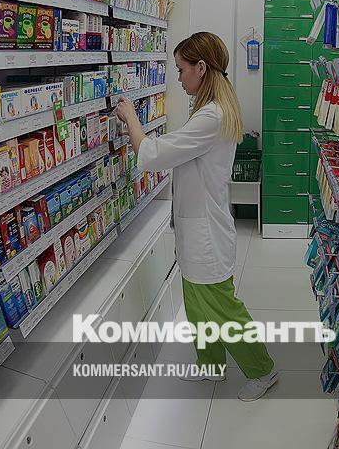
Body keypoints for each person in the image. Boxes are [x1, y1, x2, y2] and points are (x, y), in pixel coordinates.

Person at [113, 32, 278, 402]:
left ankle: (263, 370)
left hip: (207, 235)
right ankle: (210, 365)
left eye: (181, 69)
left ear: (201, 68)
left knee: (222, 309)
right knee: (197, 306)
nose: (178, 77)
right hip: (195, 228)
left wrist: (131, 118)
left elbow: (154, 155)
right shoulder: (209, 110)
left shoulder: (211, 116)